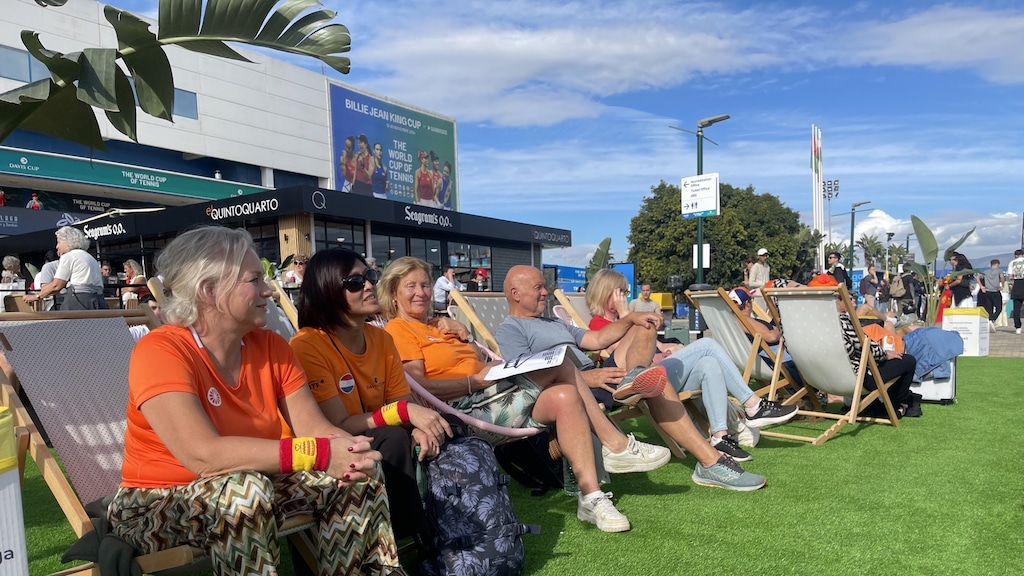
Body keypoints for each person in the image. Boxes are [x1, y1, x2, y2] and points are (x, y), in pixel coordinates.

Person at [106, 226, 405, 575]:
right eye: (254, 280)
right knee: (244, 491)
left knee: (357, 470)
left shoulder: (271, 347)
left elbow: (313, 427)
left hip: (255, 484)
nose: (268, 290)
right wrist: (320, 453)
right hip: (156, 504)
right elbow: (203, 454)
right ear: (209, 290)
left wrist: (350, 450)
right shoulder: (162, 350)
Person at [379, 257, 667, 532]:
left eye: (425, 285)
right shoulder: (398, 330)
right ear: (393, 294)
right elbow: (417, 387)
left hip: (490, 391)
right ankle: (616, 445)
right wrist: (472, 382)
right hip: (462, 409)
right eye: (411, 286)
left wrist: (463, 332)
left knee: (565, 396)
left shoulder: (439, 325)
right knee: (562, 362)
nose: (421, 292)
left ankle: (591, 498)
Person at [496, 265, 771, 491]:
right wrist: (586, 377)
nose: (545, 292)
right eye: (538, 288)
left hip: (605, 377)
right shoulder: (510, 330)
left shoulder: (554, 322)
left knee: (646, 330)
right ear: (515, 293)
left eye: (544, 286)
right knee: (657, 377)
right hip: (577, 389)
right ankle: (710, 463)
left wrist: (633, 318)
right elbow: (526, 376)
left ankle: (636, 377)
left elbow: (597, 339)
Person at [289, 249, 452, 540]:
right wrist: (405, 415)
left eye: (370, 276)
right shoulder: (308, 345)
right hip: (329, 443)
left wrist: (415, 423)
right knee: (392, 438)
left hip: (376, 431)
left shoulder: (381, 338)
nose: (367, 285)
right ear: (327, 291)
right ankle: (407, 541)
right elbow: (337, 424)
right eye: (354, 282)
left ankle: (442, 531)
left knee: (438, 430)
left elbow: (399, 401)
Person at [588, 270, 797, 464]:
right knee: (707, 345)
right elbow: (627, 355)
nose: (625, 297)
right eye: (621, 292)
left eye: (625, 292)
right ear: (607, 294)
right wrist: (627, 315)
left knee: (709, 363)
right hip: (638, 383)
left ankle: (720, 437)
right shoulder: (599, 326)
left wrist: (669, 348)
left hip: (657, 373)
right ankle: (754, 406)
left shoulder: (621, 321)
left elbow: (653, 347)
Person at [25, 226, 108, 310]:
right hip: (99, 300)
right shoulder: (89, 257)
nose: (57, 246)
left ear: (67, 242)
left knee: (64, 322)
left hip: (79, 301)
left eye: (59, 242)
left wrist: (36, 296)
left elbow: (56, 286)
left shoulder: (69, 256)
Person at [978, 259, 1005, 329]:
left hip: (987, 291)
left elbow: (977, 277)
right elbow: (1002, 277)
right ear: (997, 264)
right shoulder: (999, 271)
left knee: (989, 308)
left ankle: (989, 320)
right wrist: (1002, 285)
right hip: (995, 290)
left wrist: (981, 286)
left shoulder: (986, 272)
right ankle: (992, 319)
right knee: (999, 307)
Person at [1008, 249, 1024, 335]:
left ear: (1015, 255)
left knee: (1016, 308)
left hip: (1017, 285)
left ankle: (1018, 327)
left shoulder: (1012, 263)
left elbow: (1010, 277)